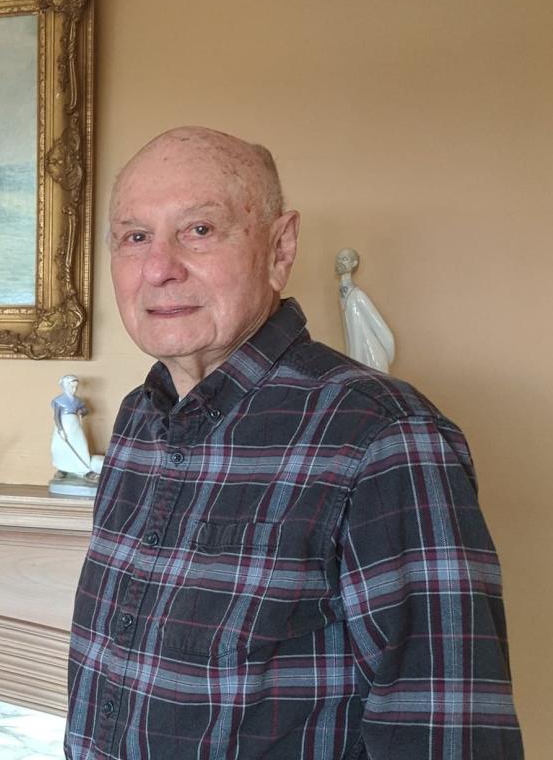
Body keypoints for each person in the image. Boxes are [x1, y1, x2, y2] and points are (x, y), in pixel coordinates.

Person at [66, 126, 521, 758]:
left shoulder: (383, 436)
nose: (158, 268)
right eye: (134, 236)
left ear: (281, 249)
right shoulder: (139, 420)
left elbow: (447, 730)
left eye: (199, 230)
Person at [336, 247, 396, 372]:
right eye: (339, 259)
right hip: (356, 360)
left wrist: (386, 358)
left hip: (371, 359)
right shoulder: (343, 294)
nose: (340, 262)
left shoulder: (358, 295)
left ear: (354, 263)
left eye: (345, 259)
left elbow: (383, 331)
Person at [50, 374, 105, 478]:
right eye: (72, 387)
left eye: (76, 387)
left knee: (80, 445)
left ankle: (85, 469)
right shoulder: (59, 400)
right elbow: (56, 417)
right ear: (65, 386)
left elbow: (86, 410)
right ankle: (62, 468)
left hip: (74, 425)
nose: (74, 389)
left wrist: (81, 411)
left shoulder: (77, 400)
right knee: (60, 447)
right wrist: (60, 429)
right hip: (64, 425)